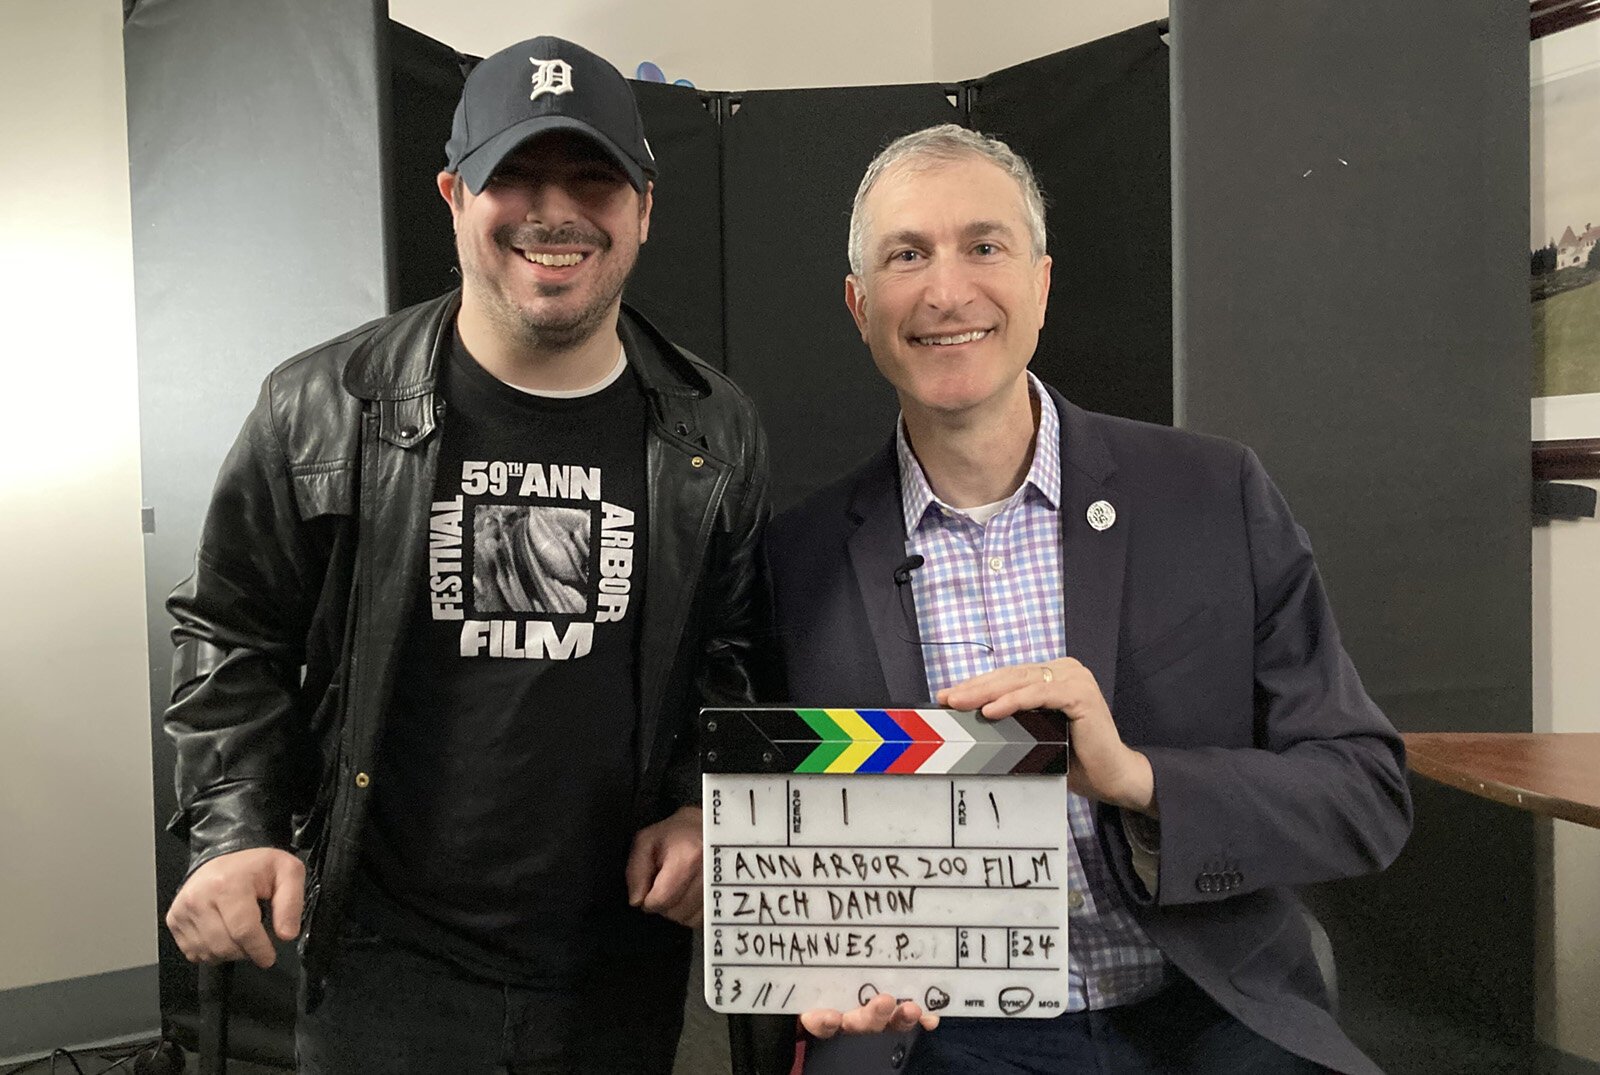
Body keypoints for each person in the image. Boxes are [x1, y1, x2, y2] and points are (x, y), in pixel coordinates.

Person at [161, 36, 769, 1075]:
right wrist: (232, 829)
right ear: (453, 193)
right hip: (381, 964)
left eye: (592, 178)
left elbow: (733, 651)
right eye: (516, 175)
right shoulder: (321, 406)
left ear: (644, 208)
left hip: (614, 965)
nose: (555, 210)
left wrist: (699, 803)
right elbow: (231, 629)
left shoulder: (713, 430)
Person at [760, 124, 1412, 1074]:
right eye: (909, 255)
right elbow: (776, 833)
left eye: (985, 245)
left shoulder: (1211, 494)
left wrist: (1134, 779)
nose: (947, 291)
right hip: (940, 1031)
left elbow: (1367, 791)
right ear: (861, 305)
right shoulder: (798, 557)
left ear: (1042, 283)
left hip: (1202, 1008)